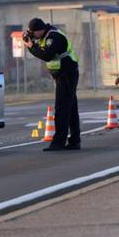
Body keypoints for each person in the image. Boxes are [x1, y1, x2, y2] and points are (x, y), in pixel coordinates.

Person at [23, 18, 81, 151]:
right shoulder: (46, 35)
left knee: (61, 108)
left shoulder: (53, 37)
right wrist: (31, 42)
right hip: (64, 74)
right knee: (70, 108)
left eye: (33, 33)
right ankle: (74, 141)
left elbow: (47, 55)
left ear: (40, 30)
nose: (33, 36)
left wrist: (31, 47)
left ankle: (59, 143)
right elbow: (41, 49)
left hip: (67, 74)